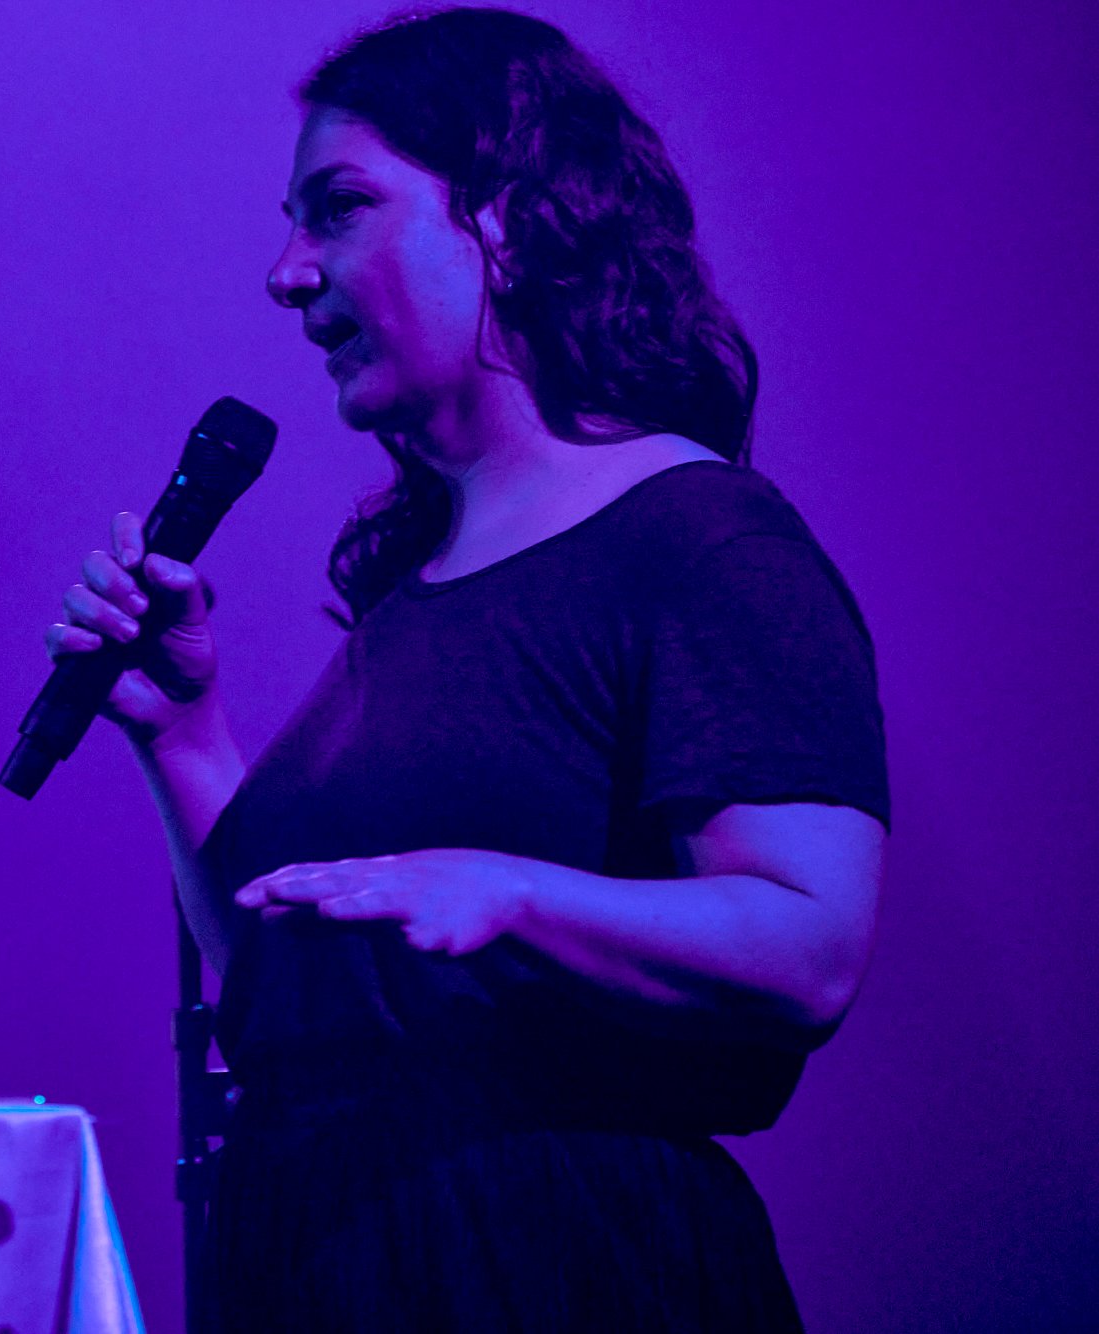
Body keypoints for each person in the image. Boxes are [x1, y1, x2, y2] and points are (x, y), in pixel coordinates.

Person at [44, 7, 888, 1332]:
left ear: (509, 217)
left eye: (338, 209)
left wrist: (516, 893)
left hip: (558, 1258)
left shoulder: (694, 532)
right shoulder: (412, 586)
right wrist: (186, 735)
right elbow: (288, 982)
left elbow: (809, 941)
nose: (284, 272)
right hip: (325, 1251)